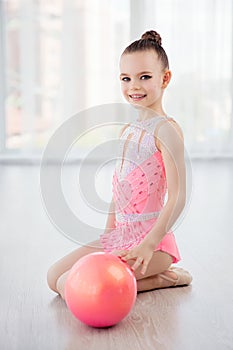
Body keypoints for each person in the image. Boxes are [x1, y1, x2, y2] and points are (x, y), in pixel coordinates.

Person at [47, 30, 192, 299]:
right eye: (126, 78)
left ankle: (164, 276)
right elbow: (120, 191)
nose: (133, 86)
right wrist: (107, 237)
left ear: (165, 78)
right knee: (54, 277)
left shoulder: (166, 131)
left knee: (77, 284)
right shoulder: (128, 130)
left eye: (144, 77)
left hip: (154, 245)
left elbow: (178, 196)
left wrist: (148, 246)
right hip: (122, 237)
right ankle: (147, 280)